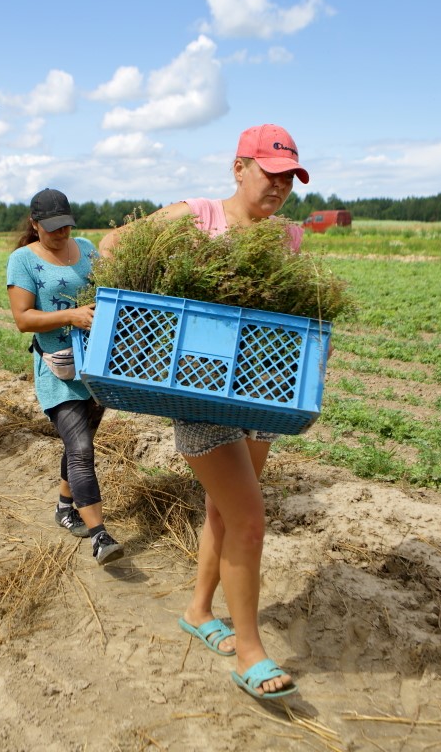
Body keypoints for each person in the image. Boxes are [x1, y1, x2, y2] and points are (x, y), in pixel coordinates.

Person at [98, 124, 308, 699]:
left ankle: (197, 611)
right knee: (249, 518)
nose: (281, 186)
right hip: (195, 388)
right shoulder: (198, 217)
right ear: (239, 168)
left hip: (263, 388)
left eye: (290, 177)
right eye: (271, 172)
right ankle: (250, 651)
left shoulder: (286, 240)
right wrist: (146, 312)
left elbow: (292, 310)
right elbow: (115, 246)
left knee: (223, 510)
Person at [6, 188, 124, 566]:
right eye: (53, 228)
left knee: (80, 441)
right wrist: (69, 316)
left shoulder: (87, 249)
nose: (61, 234)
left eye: (66, 227)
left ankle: (63, 506)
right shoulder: (22, 260)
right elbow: (24, 319)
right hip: (57, 368)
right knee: (81, 448)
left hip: (94, 363)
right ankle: (99, 535)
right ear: (35, 224)